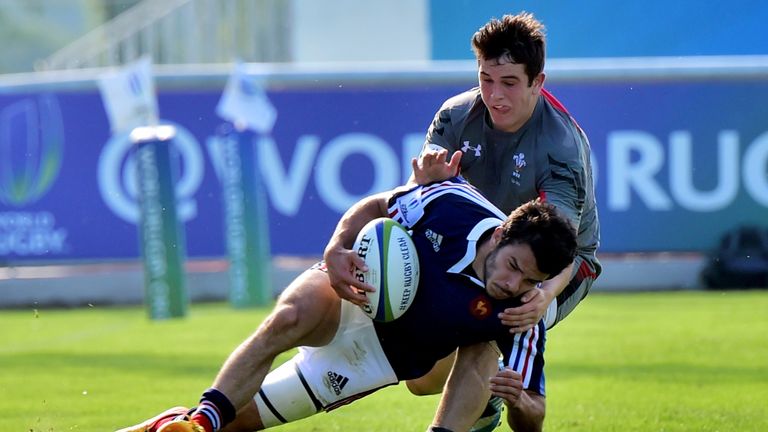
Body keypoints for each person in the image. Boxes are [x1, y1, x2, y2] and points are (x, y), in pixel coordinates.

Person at [116, 176, 577, 432]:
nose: (511, 283)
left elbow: (534, 416)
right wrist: (337, 248)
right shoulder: (454, 205)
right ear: (499, 235)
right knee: (288, 317)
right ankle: (200, 421)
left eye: (529, 280)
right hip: (349, 296)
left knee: (240, 424)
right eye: (512, 265)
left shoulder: (524, 313)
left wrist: (519, 403)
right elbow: (376, 205)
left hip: (372, 361)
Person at [323, 12, 601, 431]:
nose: (495, 95)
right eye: (486, 79)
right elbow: (414, 201)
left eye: (509, 82)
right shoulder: (455, 116)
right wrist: (423, 182)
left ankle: (483, 408)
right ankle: (486, 399)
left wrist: (543, 296)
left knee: (497, 320)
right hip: (481, 251)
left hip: (560, 264)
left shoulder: (560, 145)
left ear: (537, 83)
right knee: (422, 380)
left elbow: (557, 246)